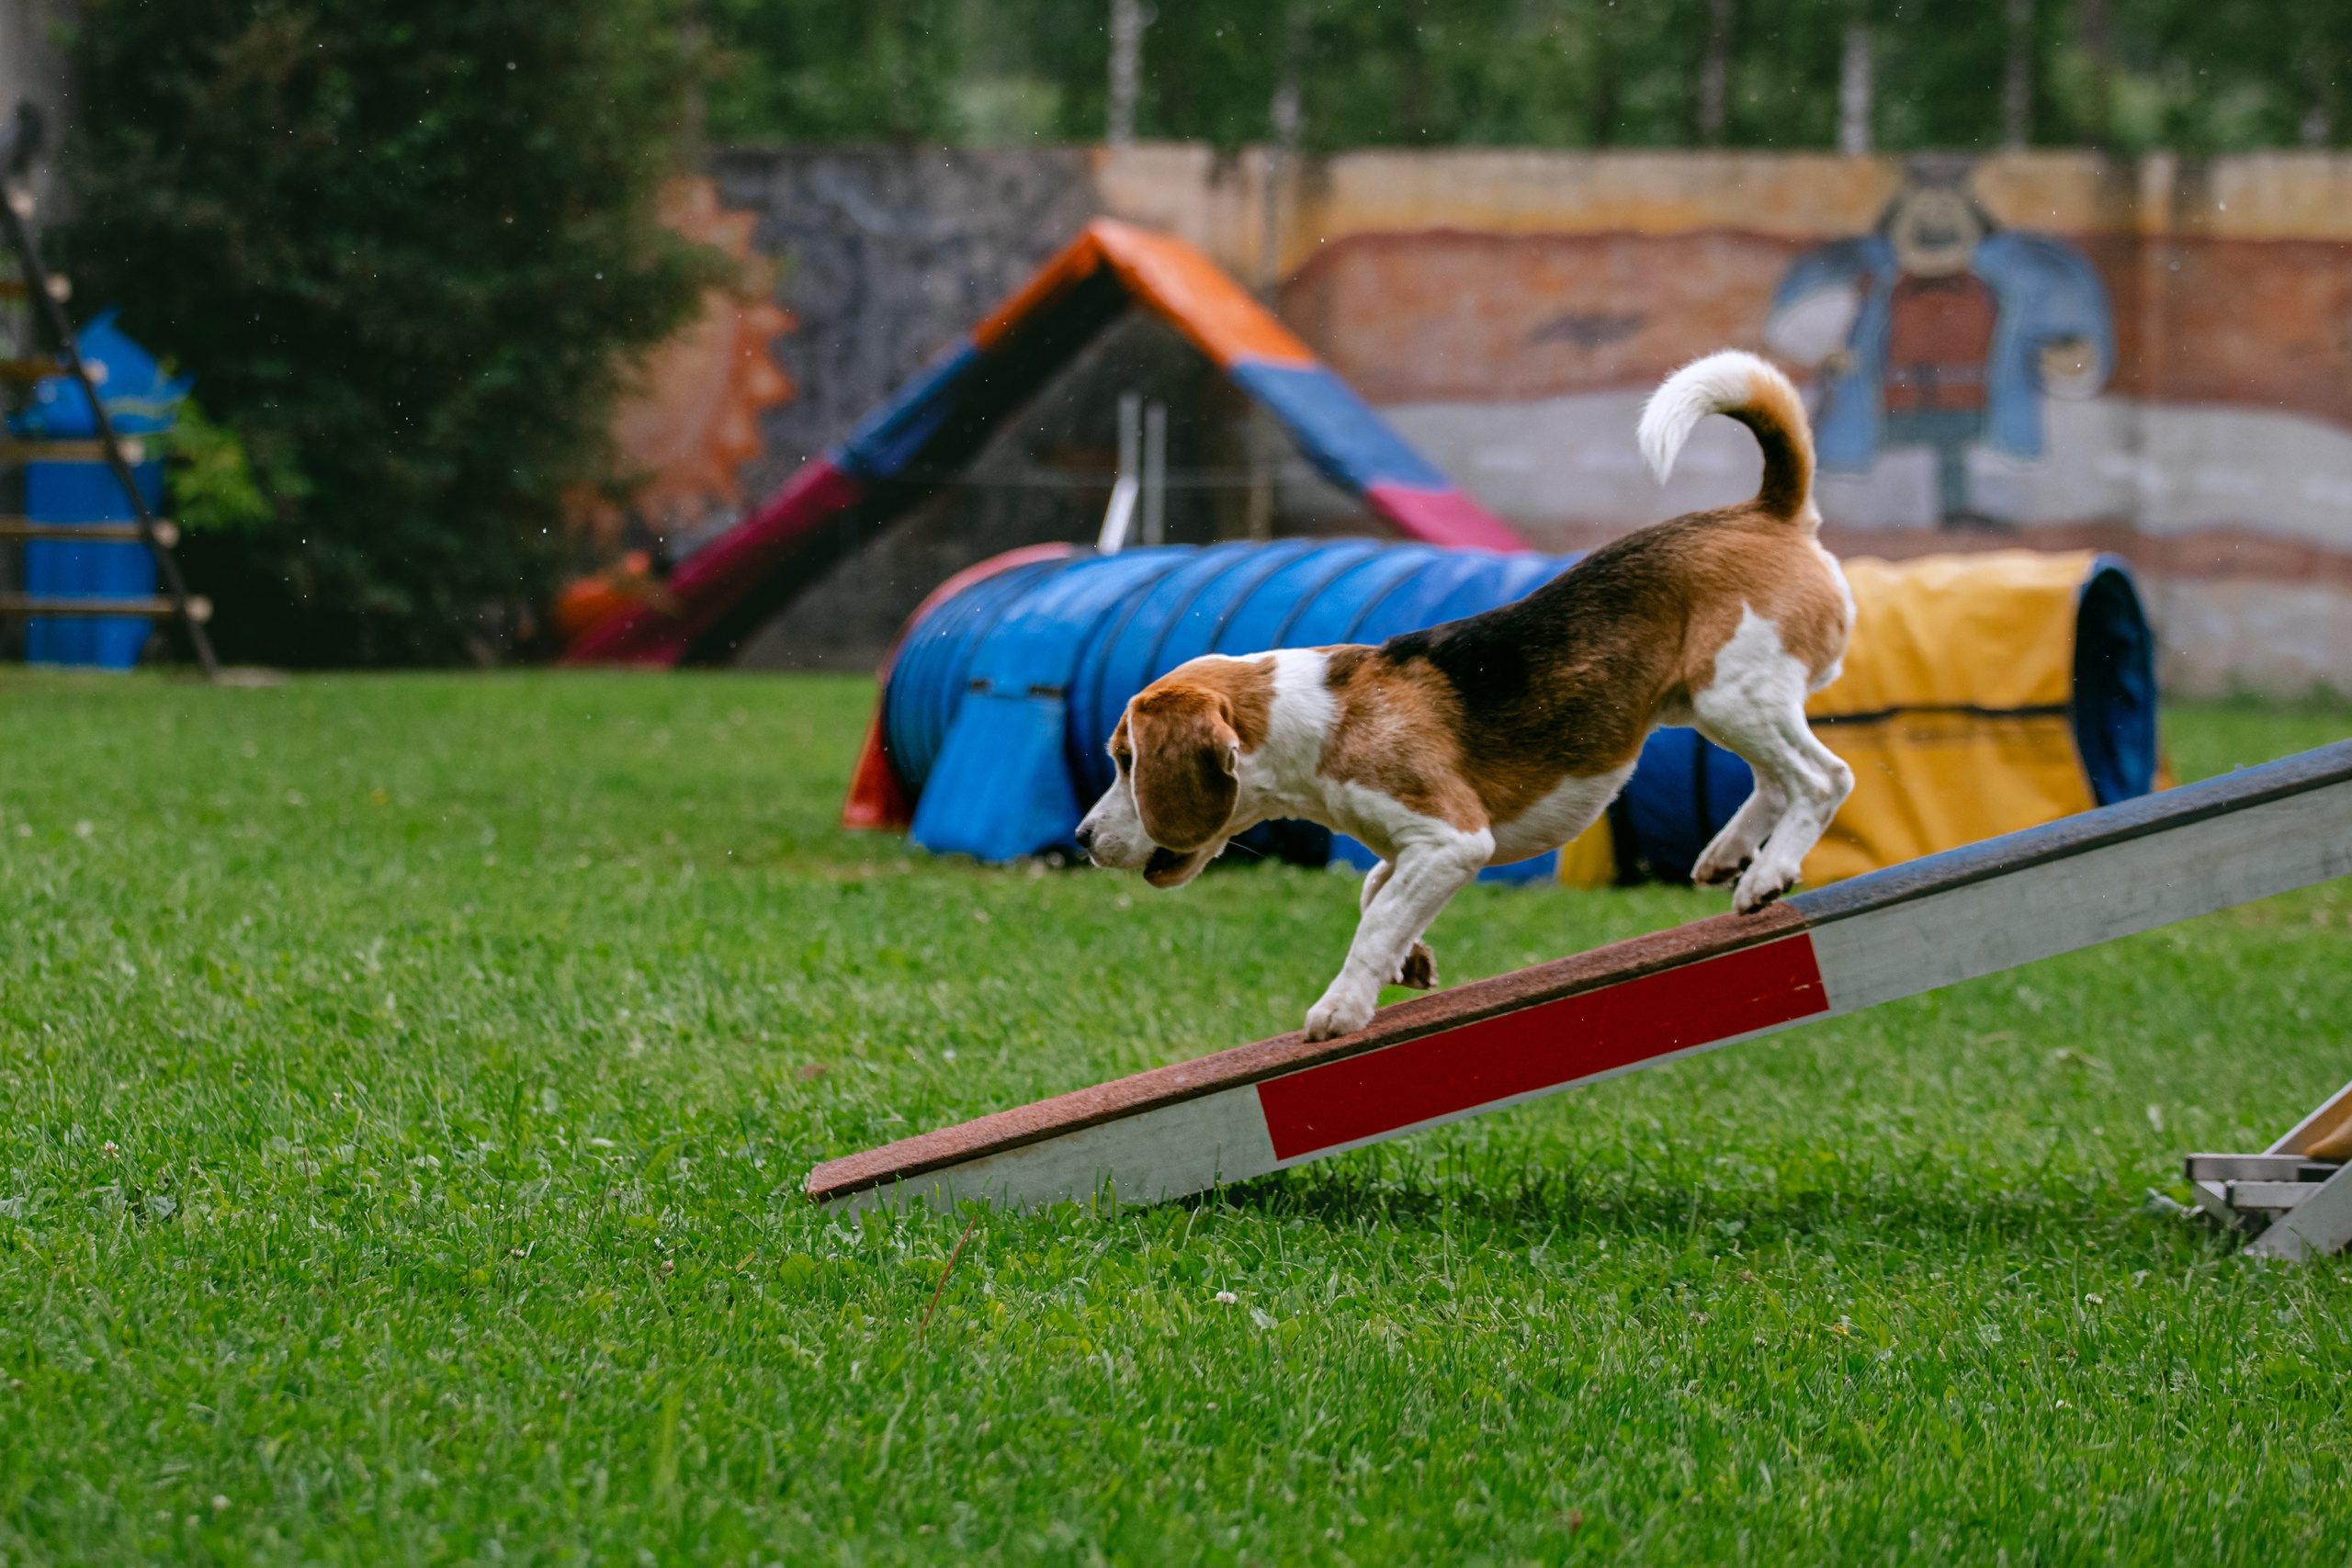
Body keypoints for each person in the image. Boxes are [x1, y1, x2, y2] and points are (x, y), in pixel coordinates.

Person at [1765, 159, 2111, 529]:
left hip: (1972, 402)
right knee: (1891, 473)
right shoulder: (1862, 276)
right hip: (1889, 405)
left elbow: (2070, 342)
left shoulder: (2018, 278)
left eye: (1948, 209)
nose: (1936, 221)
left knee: (1955, 462)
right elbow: (1805, 323)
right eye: (1923, 208)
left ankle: (1954, 515)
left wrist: (2073, 361)